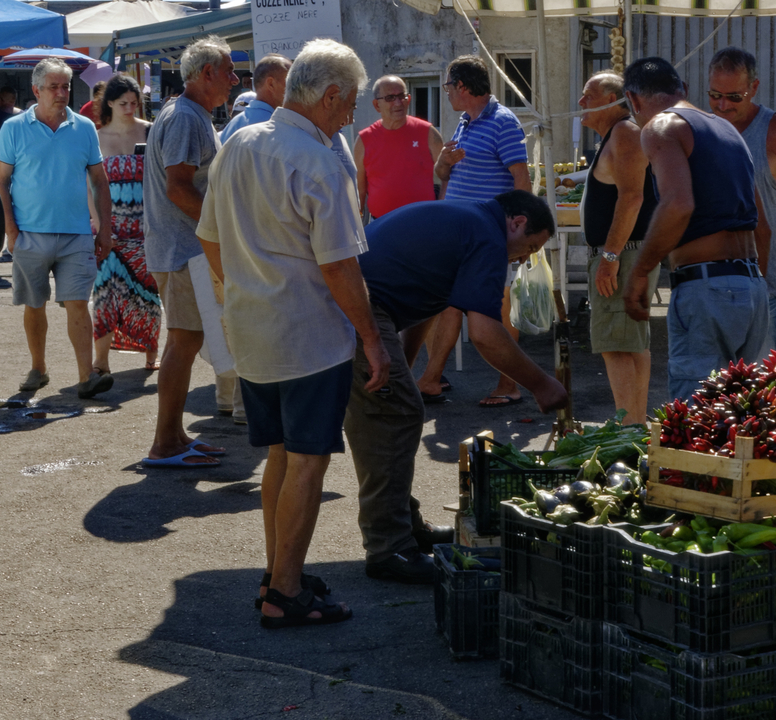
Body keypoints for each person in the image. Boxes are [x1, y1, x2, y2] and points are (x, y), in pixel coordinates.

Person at [198, 38, 389, 627]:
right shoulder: (319, 159)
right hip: (307, 336)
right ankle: (284, 591)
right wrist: (373, 338)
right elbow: (338, 265)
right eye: (350, 102)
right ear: (329, 97)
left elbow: (208, 236)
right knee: (307, 461)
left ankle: (278, 573)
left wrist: (243, 288)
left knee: (282, 456)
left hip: (253, 328)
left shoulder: (238, 143)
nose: (352, 115)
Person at [350, 191, 569, 582]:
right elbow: (486, 333)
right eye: (530, 247)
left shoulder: (468, 221)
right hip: (358, 306)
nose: (522, 259)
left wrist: (408, 368)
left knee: (394, 412)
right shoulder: (486, 234)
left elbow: (425, 304)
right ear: (517, 222)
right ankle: (389, 549)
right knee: (390, 418)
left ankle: (405, 529)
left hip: (363, 302)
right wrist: (542, 384)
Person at [620, 57, 770, 401]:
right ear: (684, 89)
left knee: (696, 422)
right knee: (747, 419)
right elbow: (762, 223)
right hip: (751, 288)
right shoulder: (727, 129)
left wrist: (640, 271)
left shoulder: (660, 127)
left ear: (633, 99)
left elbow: (678, 204)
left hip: (705, 288)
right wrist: (749, 287)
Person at [141, 35, 239, 468]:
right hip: (183, 250)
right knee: (184, 341)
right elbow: (179, 188)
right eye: (230, 70)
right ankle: (165, 444)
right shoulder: (185, 118)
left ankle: (175, 437)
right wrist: (223, 229)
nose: (235, 79)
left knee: (187, 339)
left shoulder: (187, 114)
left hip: (181, 248)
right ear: (206, 74)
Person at [0, 59, 115, 399]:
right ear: (36, 91)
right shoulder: (14, 128)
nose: (62, 93)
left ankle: (85, 376)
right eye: (54, 87)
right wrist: (11, 231)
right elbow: (0, 182)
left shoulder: (84, 128)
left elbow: (100, 182)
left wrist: (104, 230)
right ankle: (38, 367)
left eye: (66, 86)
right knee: (35, 305)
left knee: (78, 303)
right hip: (29, 233)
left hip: (76, 233)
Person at [419, 55, 533, 408]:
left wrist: (523, 234)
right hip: (462, 235)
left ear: (463, 87)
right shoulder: (465, 123)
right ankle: (431, 379)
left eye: (449, 87)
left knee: (497, 310)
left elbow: (521, 181)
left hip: (489, 235)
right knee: (450, 306)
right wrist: (443, 165)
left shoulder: (503, 122)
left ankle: (509, 384)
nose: (447, 93)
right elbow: (445, 175)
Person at [707, 47, 776, 350]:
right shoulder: (705, 129)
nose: (723, 105)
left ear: (753, 88)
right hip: (711, 283)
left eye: (734, 97)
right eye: (714, 95)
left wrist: (768, 241)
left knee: (763, 389)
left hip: (762, 287)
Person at [214, 53, 293, 424]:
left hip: (237, 238)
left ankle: (236, 401)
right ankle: (251, 407)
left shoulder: (235, 127)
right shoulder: (271, 127)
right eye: (289, 79)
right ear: (271, 84)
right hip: (264, 239)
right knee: (265, 325)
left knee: (241, 322)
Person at [577, 72, 660, 422]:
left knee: (618, 345)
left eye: (589, 95)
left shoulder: (625, 133)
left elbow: (632, 198)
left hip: (623, 255)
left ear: (615, 99)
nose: (581, 102)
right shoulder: (616, 136)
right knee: (630, 342)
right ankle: (635, 427)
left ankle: (628, 430)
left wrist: (609, 257)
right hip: (627, 253)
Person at [90, 74, 162, 377]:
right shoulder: (96, 137)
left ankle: (150, 355)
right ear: (110, 103)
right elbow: (89, 187)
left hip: (147, 226)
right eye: (124, 103)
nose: (130, 108)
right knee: (106, 293)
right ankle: (100, 361)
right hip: (111, 227)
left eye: (134, 103)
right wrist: (97, 223)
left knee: (148, 295)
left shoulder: (150, 132)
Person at [353, 75, 443, 220]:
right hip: (382, 226)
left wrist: (442, 209)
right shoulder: (364, 141)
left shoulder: (428, 133)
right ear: (377, 105)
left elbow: (447, 176)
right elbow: (359, 191)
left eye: (402, 96)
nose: (398, 103)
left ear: (409, 99)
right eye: (390, 98)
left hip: (423, 222)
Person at [220, 54, 292, 142]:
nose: (294, 88)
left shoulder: (233, 124)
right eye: (290, 82)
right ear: (271, 84)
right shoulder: (276, 126)